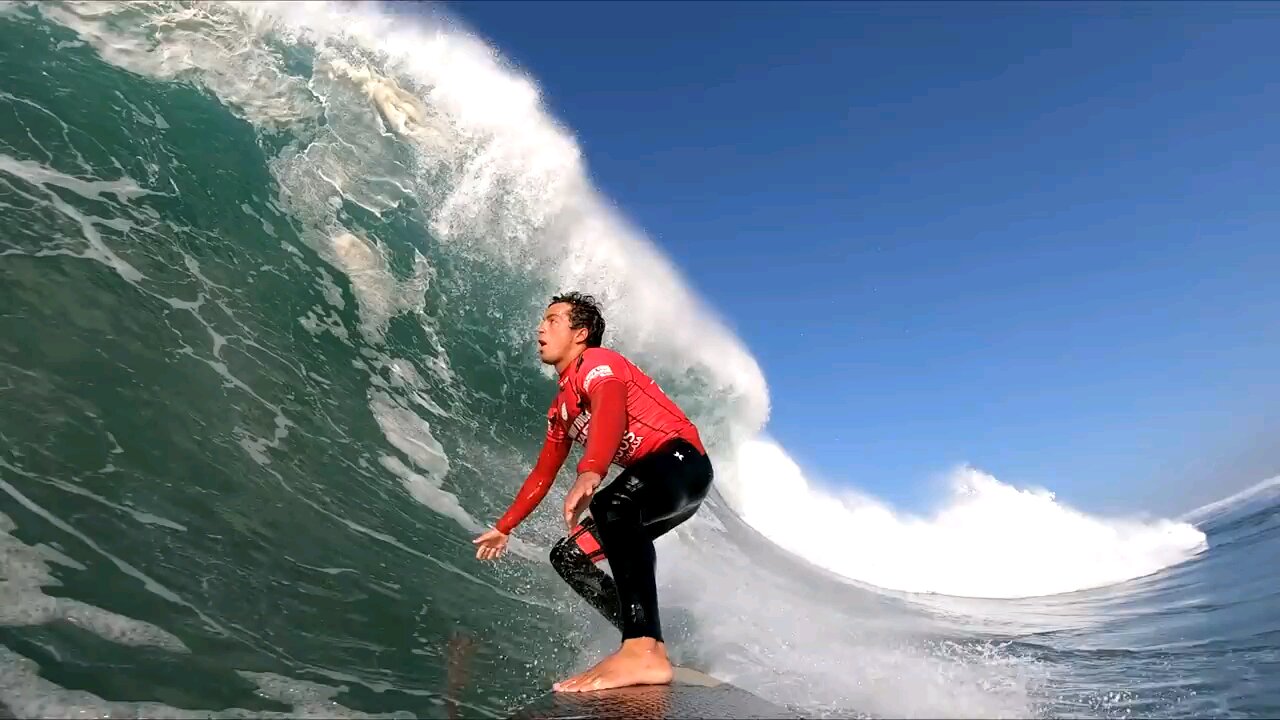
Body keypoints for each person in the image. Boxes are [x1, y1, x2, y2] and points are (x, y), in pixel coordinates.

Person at [472, 292, 714, 693]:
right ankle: (646, 637)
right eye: (542, 320)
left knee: (613, 504)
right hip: (658, 484)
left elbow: (610, 406)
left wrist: (591, 471)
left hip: (682, 462)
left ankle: (641, 650)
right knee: (568, 557)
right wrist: (505, 527)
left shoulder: (598, 363)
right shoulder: (561, 406)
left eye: (553, 320)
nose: (540, 328)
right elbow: (542, 473)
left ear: (580, 333)